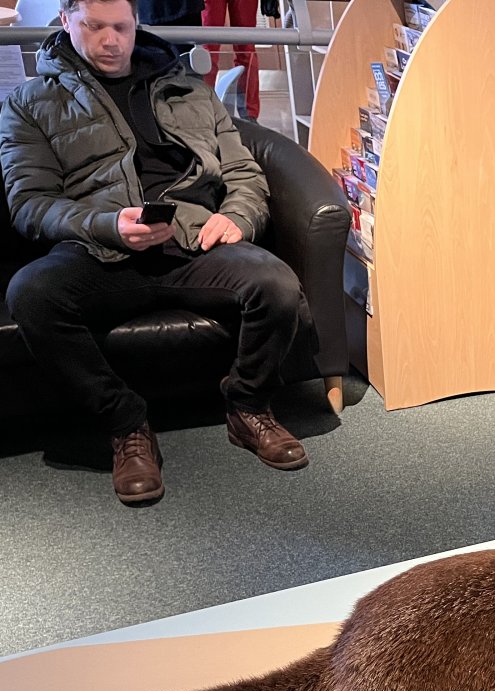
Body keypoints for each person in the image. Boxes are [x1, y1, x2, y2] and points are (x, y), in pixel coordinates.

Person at [0, 0, 309, 506]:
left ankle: (248, 405)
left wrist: (237, 216)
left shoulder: (187, 87)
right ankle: (126, 422)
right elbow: (30, 205)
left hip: (192, 240)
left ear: (135, 25)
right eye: (94, 27)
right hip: (97, 249)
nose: (110, 40)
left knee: (275, 285)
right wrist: (107, 226)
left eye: (120, 27)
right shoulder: (30, 103)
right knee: (31, 293)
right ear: (66, 22)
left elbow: (243, 173)